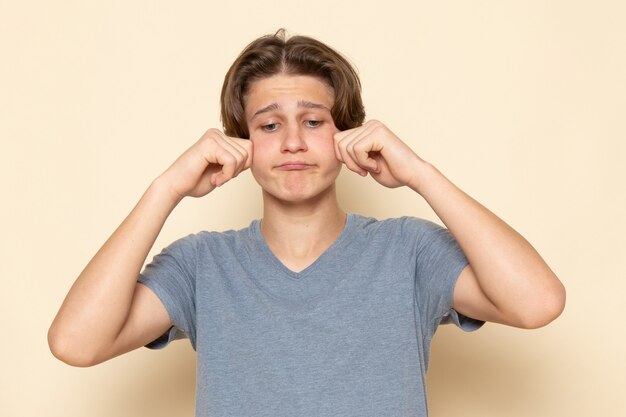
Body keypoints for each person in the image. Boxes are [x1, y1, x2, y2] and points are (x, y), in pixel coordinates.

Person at [48, 29, 566, 417]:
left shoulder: (407, 251)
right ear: (241, 145)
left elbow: (538, 302)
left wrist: (421, 175)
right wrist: (165, 189)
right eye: (269, 124)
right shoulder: (200, 264)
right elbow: (76, 343)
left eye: (313, 121)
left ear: (349, 136)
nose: (293, 141)